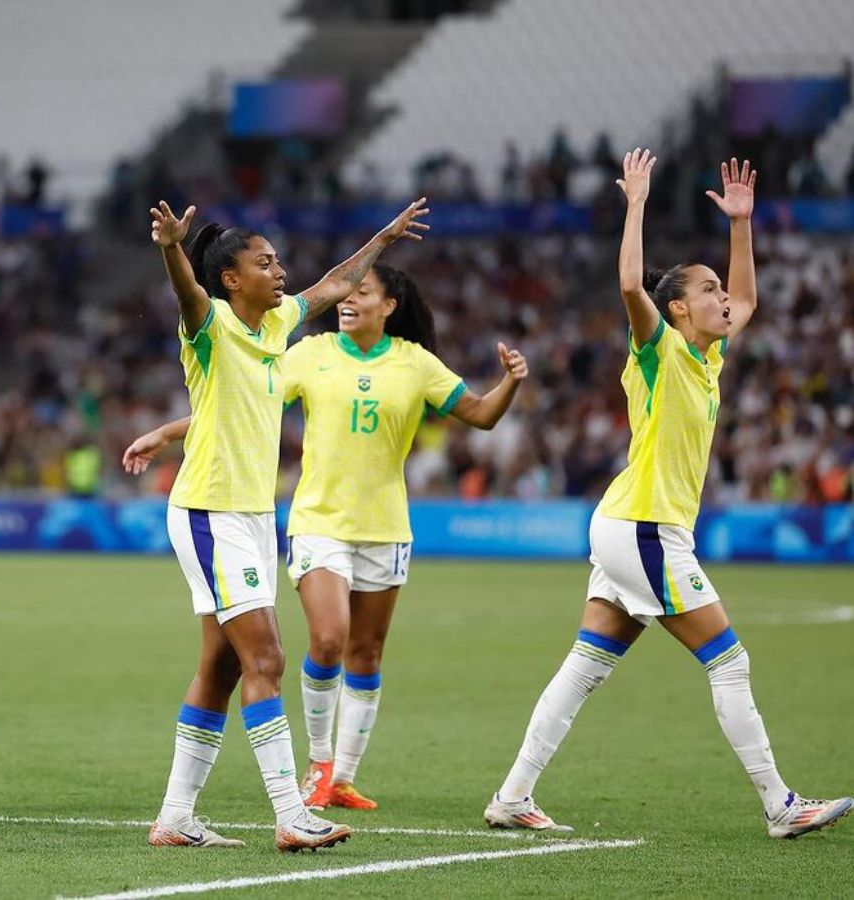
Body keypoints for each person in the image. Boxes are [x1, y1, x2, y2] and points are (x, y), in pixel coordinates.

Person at [483, 152, 851, 838]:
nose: (723, 299)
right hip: (646, 528)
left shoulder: (705, 356)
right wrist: (637, 203)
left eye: (720, 289)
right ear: (677, 306)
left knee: (587, 664)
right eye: (708, 289)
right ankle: (780, 804)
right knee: (730, 659)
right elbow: (630, 280)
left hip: (631, 524)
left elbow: (749, 301)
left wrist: (741, 227)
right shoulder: (658, 348)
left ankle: (512, 794)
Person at [126, 260, 529, 813]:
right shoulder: (309, 354)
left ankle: (341, 777)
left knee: (367, 652)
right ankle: (317, 764)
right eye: (348, 291)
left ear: (389, 306)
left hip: (386, 526)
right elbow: (244, 403)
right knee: (329, 638)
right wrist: (168, 434)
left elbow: (481, 414)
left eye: (363, 293)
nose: (348, 300)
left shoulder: (416, 363)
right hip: (317, 521)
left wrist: (510, 381)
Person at [140, 198, 429, 851]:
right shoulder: (211, 324)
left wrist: (381, 237)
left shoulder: (278, 325)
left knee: (222, 666)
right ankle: (292, 814)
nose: (281, 270)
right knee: (267, 655)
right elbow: (187, 293)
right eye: (266, 263)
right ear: (233, 279)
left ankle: (175, 816)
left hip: (249, 516)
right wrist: (169, 248)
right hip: (211, 512)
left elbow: (332, 284)